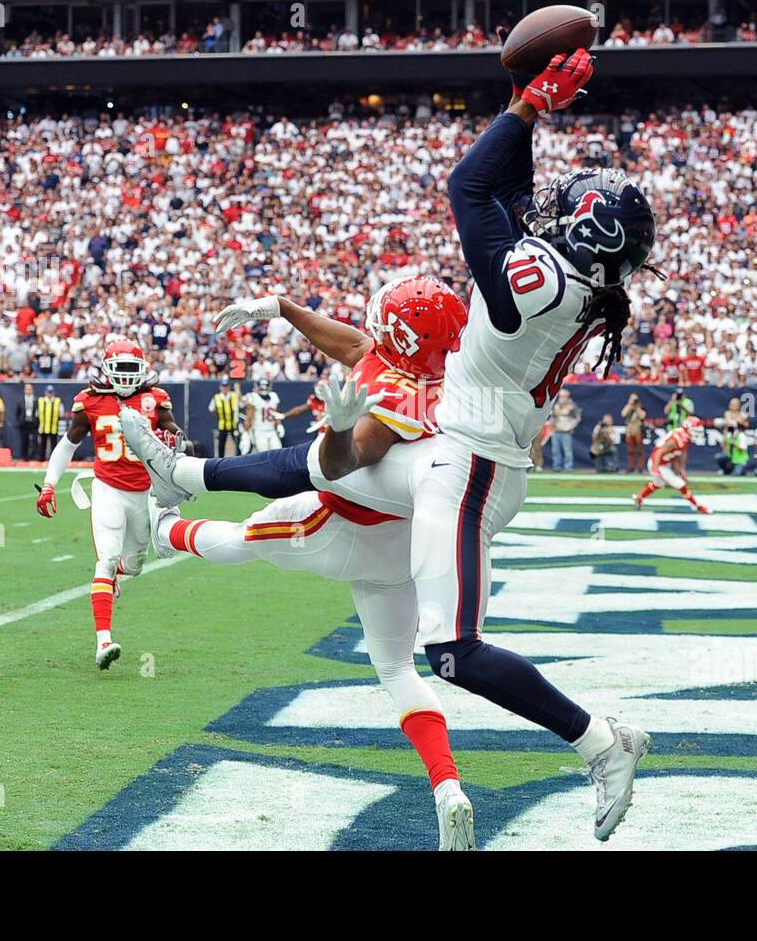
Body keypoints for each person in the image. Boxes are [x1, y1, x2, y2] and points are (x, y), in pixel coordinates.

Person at [127, 49, 654, 843]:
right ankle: (185, 475)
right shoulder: (581, 285)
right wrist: (523, 101)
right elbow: (507, 192)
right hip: (462, 455)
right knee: (339, 467)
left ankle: (602, 742)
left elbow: (471, 188)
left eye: (565, 208)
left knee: (451, 650)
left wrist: (530, 107)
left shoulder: (534, 286)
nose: (547, 210)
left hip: (468, 467)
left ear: (579, 234)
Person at [133, 277, 477, 850]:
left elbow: (337, 464)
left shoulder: (392, 402)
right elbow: (355, 347)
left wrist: (340, 427)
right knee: (396, 669)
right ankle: (447, 786)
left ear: (401, 334)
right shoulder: (447, 379)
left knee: (245, 538)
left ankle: (165, 529)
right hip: (408, 546)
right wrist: (283, 308)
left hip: (343, 526)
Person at [34, 340, 181, 670]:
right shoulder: (90, 401)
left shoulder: (155, 398)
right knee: (107, 557)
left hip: (145, 491)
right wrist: (48, 484)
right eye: (122, 368)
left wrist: (173, 434)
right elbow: (67, 445)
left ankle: (115, 575)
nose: (127, 377)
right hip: (108, 488)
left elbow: (171, 427)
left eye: (133, 369)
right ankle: (104, 640)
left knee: (133, 565)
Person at [633, 415, 710, 512]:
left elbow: (680, 454)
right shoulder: (676, 439)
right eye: (695, 431)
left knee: (658, 483)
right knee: (680, 485)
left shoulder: (685, 438)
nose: (697, 433)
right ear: (687, 429)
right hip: (657, 462)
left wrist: (681, 470)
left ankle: (639, 498)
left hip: (664, 463)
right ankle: (699, 506)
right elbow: (659, 452)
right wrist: (655, 468)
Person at [244, 378, 283, 453]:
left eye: (265, 386)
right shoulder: (253, 397)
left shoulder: (273, 396)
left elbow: (275, 413)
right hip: (259, 431)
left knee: (278, 453)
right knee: (263, 455)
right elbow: (249, 416)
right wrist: (246, 432)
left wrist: (279, 425)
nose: (264, 388)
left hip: (272, 430)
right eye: (262, 386)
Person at [549, 389, 580, 471]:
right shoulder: (556, 406)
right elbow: (551, 418)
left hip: (566, 432)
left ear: (568, 397)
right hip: (556, 431)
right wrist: (552, 427)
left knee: (567, 451)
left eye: (564, 396)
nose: (563, 398)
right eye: (561, 396)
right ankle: (556, 466)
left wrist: (569, 427)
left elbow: (577, 418)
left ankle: (568, 467)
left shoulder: (572, 406)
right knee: (555, 450)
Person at [209, 377, 239, 457]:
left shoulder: (234, 395)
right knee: (221, 445)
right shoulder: (217, 397)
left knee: (238, 444)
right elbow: (211, 409)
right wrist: (219, 416)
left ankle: (239, 459)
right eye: (223, 386)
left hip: (234, 424)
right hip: (223, 424)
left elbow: (241, 406)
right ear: (220, 387)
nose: (225, 388)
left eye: (226, 386)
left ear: (229, 387)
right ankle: (220, 461)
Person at [621, 393, 646, 472]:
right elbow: (623, 414)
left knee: (640, 450)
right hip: (629, 431)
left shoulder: (640, 407)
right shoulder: (628, 407)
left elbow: (642, 416)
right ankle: (631, 467)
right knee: (630, 450)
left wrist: (637, 407)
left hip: (637, 430)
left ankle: (640, 468)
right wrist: (630, 404)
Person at [37, 385, 63, 461]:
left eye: (51, 392)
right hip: (43, 426)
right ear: (45, 392)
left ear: (53, 393)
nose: (49, 394)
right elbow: (37, 413)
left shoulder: (58, 401)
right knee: (42, 445)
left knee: (54, 445)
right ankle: (41, 459)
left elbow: (61, 413)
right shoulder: (41, 401)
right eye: (48, 392)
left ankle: (53, 459)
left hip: (53, 427)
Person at [16, 382, 40, 461]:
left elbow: (39, 411)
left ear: (32, 390)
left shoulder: (36, 400)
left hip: (33, 423)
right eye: (27, 389)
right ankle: (24, 457)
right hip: (24, 422)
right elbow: (17, 412)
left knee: (35, 440)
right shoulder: (20, 400)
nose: (28, 391)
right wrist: (19, 421)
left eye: (30, 389)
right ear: (24, 390)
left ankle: (35, 456)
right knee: (24, 440)